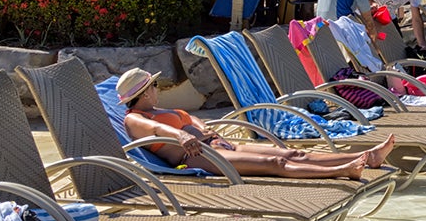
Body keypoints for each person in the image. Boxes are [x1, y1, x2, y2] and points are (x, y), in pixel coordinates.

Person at [117, 68, 394, 179]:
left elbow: (191, 118)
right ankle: (343, 171)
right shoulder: (136, 118)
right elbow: (158, 131)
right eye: (153, 85)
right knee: (276, 165)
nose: (157, 89)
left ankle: (365, 157)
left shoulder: (159, 108)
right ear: (143, 93)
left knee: (292, 153)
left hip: (217, 146)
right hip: (199, 158)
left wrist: (201, 128)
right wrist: (181, 136)